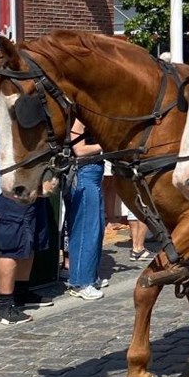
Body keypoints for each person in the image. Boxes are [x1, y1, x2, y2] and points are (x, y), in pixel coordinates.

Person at [0, 113, 55, 325]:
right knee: (11, 246)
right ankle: (4, 306)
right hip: (11, 188)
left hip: (31, 185)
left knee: (29, 242)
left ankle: (21, 292)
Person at [64, 117, 107, 300]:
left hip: (94, 175)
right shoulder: (79, 119)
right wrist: (104, 146)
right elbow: (79, 150)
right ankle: (80, 282)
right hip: (84, 174)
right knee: (85, 230)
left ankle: (90, 276)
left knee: (96, 228)